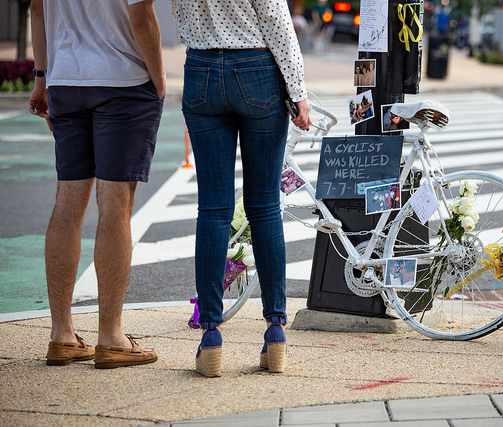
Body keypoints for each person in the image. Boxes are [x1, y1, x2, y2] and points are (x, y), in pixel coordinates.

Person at [169, 0, 312, 377]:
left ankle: (211, 335)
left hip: (200, 67)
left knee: (213, 210)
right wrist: (297, 92)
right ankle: (275, 329)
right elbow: (276, 20)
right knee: (264, 207)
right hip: (256, 68)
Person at [28, 0, 165, 368]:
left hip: (65, 79)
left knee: (68, 202)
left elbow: (37, 9)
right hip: (123, 81)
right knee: (115, 204)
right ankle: (111, 337)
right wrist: (160, 78)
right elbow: (142, 17)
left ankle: (62, 335)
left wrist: (42, 77)